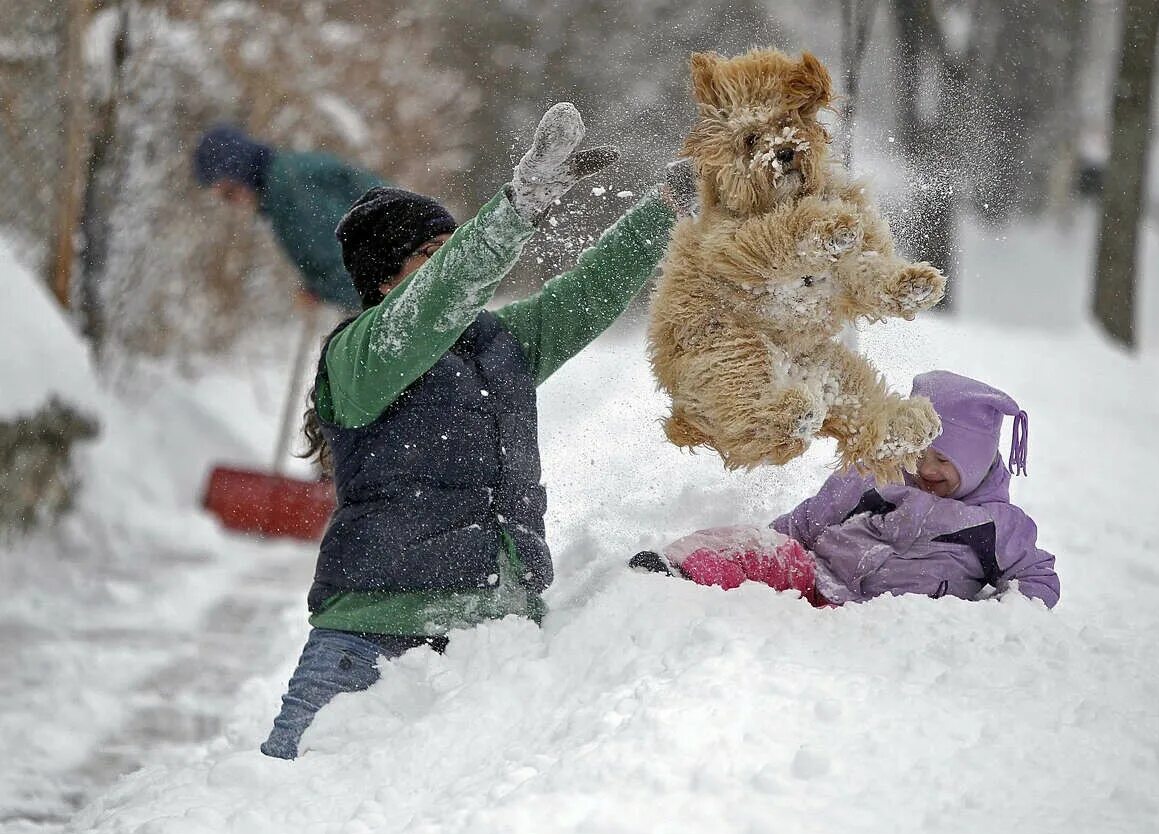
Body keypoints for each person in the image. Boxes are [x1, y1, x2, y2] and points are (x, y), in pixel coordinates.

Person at [261, 103, 691, 759]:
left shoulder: (496, 343)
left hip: (492, 643)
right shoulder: (363, 352)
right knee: (273, 823)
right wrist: (517, 208)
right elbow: (441, 297)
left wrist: (668, 206)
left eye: (454, 248)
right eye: (434, 255)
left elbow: (590, 293)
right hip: (372, 647)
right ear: (384, 280)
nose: (461, 268)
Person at [631, 371, 1060, 610]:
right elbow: (801, 525)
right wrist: (769, 549)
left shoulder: (996, 526)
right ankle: (677, 570)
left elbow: (1037, 577)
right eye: (917, 452)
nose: (926, 469)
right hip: (820, 580)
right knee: (764, 547)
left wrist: (1004, 615)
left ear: (977, 461)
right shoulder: (873, 477)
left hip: (900, 618)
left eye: (944, 460)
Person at [193, 125, 386, 312]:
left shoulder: (287, 192)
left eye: (229, 192)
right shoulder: (286, 177)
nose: (232, 203)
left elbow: (349, 266)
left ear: (241, 173)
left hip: (400, 280)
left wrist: (322, 291)